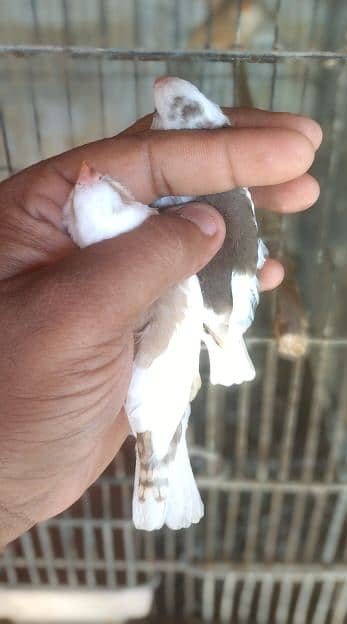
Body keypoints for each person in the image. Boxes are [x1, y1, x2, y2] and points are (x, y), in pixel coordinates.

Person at [0, 106, 322, 549]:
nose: (88, 173)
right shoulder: (147, 266)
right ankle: (158, 472)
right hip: (156, 399)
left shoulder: (104, 267)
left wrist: (11, 500)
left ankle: (158, 472)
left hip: (145, 396)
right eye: (92, 195)